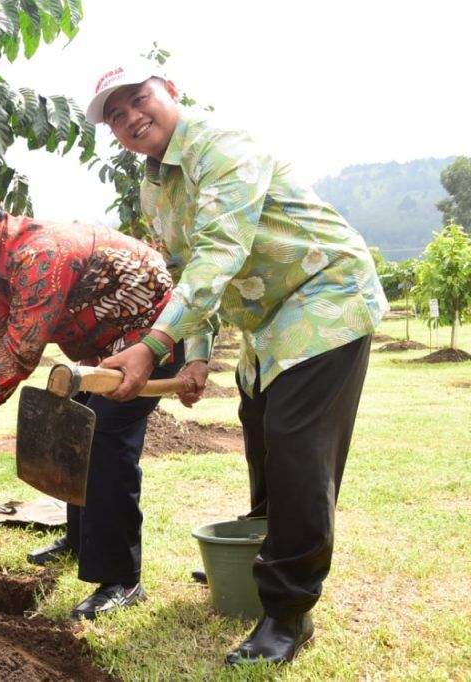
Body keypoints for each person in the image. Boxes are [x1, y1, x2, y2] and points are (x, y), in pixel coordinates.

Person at [85, 61, 388, 664]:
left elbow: (220, 253)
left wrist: (149, 348)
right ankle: (263, 559)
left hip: (325, 293)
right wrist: (195, 357)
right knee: (262, 438)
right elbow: (185, 273)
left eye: (137, 100)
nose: (129, 119)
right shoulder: (153, 185)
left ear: (169, 92)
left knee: (297, 444)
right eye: (115, 116)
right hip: (268, 318)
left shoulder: (223, 148)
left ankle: (287, 612)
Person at [0, 184, 192, 620]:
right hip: (102, 353)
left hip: (152, 338)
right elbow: (10, 352)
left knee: (104, 441)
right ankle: (78, 539)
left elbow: (19, 355)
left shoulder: (41, 254)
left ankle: (122, 580)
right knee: (69, 425)